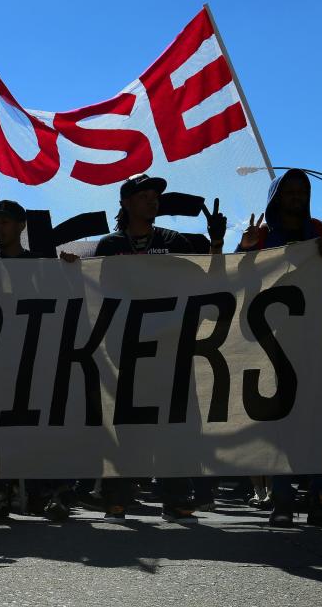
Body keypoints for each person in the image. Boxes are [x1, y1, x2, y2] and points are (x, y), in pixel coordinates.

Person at [93, 173, 226, 523]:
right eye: (145, 196)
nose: (153, 201)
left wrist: (216, 243)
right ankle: (118, 497)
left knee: (177, 425)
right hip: (130, 348)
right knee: (129, 426)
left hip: (172, 347)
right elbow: (99, 293)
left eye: (156, 196)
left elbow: (208, 283)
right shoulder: (109, 245)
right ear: (125, 203)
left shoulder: (173, 239)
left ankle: (176, 497)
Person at [237, 168, 322, 528]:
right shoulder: (261, 238)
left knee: (317, 422)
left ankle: (321, 495)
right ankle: (282, 499)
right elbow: (236, 284)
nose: (295, 197)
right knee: (278, 423)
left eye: (302, 191)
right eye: (288, 191)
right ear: (276, 196)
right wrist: (244, 249)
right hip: (271, 344)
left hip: (317, 340)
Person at [0, 200, 77, 521]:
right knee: (1, 429)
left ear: (21, 225)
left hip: (36, 357)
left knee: (41, 428)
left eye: (5, 222)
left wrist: (69, 269)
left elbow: (66, 301)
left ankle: (50, 494)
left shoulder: (40, 265)